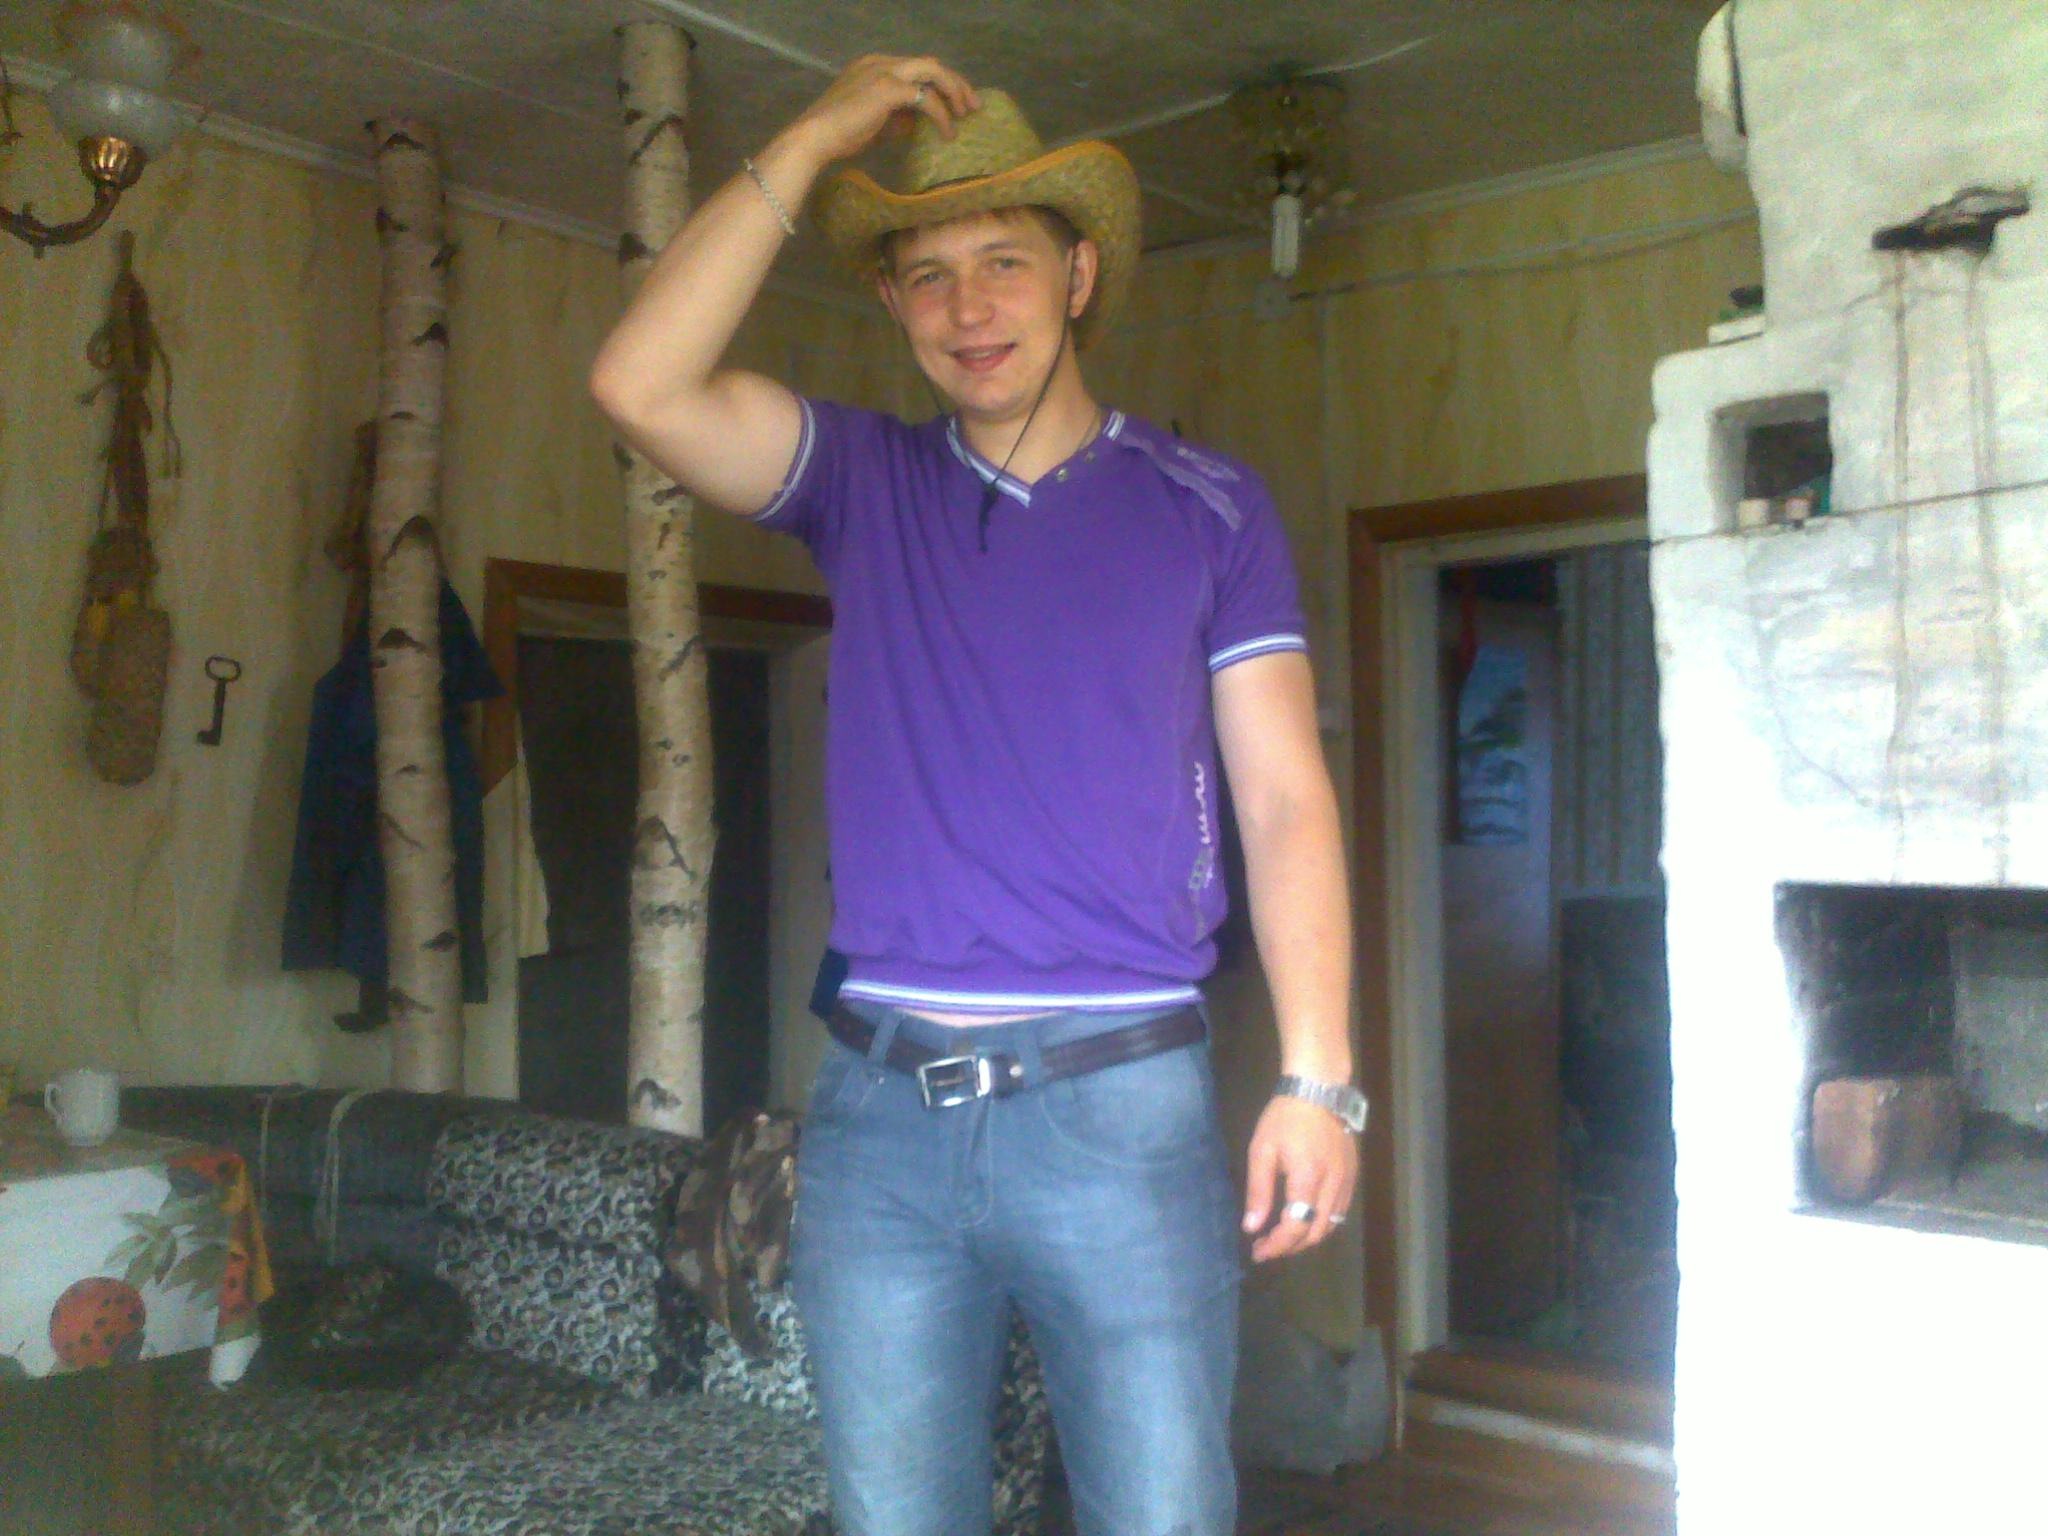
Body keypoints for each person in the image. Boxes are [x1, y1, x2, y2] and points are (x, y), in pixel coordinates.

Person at [590, 55, 1363, 1536]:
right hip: (878, 1115)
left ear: (1079, 275)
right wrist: (813, 139)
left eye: (1004, 261)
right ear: (893, 304)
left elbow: (1283, 799)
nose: (968, 308)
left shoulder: (1210, 507)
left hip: (1122, 1106)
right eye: (927, 275)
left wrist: (1318, 1078)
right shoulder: (860, 480)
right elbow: (640, 383)